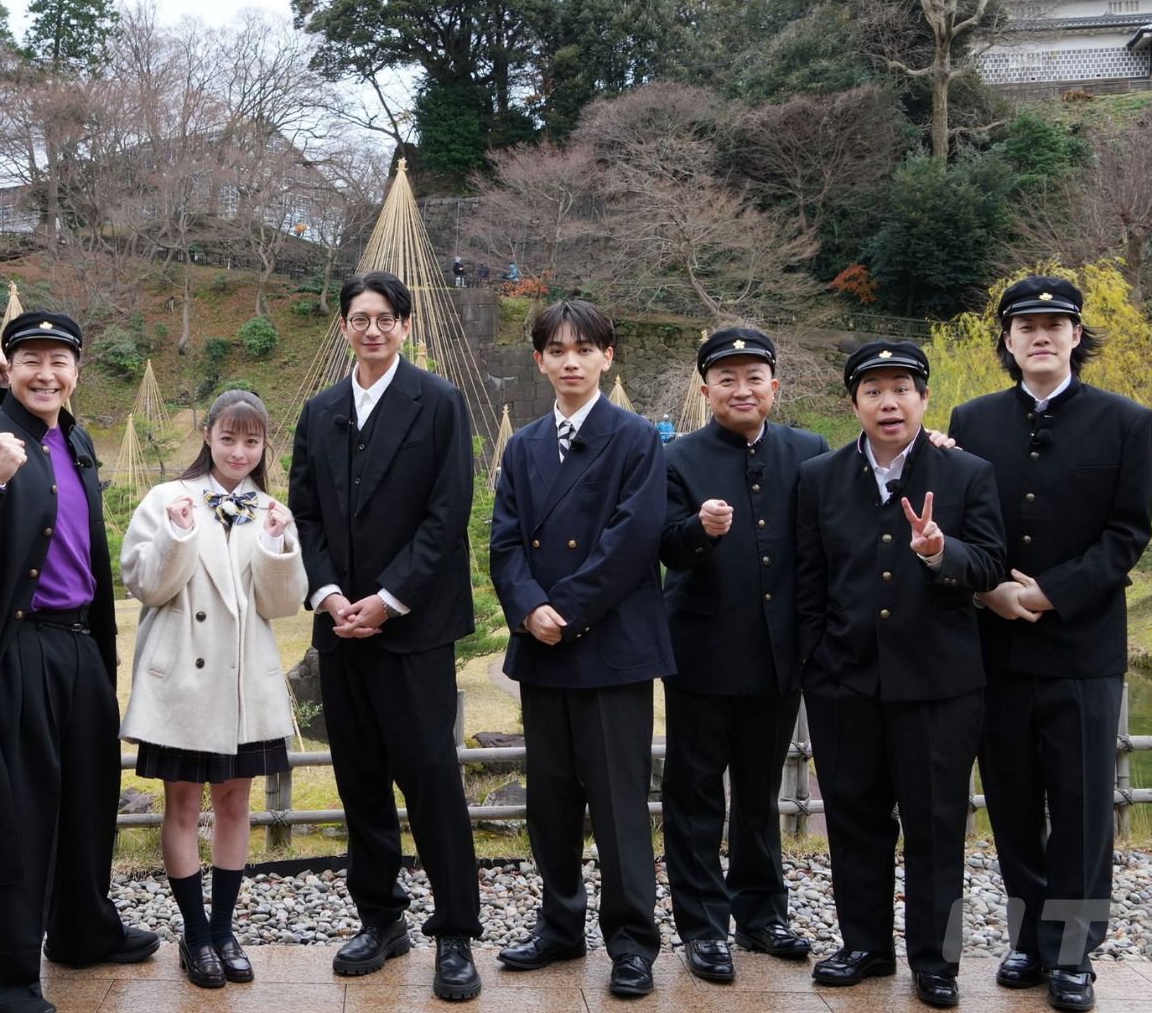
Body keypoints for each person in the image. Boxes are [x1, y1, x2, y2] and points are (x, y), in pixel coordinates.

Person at [0, 310, 158, 1013]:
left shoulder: (77, 441)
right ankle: (0, 981)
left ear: (77, 372)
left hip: (80, 644)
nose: (46, 373)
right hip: (13, 646)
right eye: (31, 360)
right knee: (13, 811)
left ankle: (83, 932)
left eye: (60, 361)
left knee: (89, 795)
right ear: (10, 366)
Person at [949, 276, 1152, 1013]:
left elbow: (1127, 533)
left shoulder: (1126, 420)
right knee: (1010, 802)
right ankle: (1028, 939)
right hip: (996, 648)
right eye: (1025, 326)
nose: (1040, 336)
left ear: (1076, 336)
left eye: (1055, 325)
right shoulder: (972, 419)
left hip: (1082, 649)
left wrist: (1047, 593)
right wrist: (990, 593)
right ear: (1006, 341)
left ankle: (1073, 954)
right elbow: (963, 525)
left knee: (1081, 807)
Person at [288, 271, 484, 1002]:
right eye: (359, 318)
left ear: (404, 325)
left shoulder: (439, 401)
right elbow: (303, 511)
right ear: (344, 326)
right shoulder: (321, 410)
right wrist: (330, 594)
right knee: (359, 778)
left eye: (385, 318)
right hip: (341, 626)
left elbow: (448, 513)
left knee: (431, 778)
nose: (372, 329)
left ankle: (455, 931)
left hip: (414, 627)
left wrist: (390, 598)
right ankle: (380, 918)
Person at [796, 341, 1006, 1009]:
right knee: (854, 818)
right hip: (844, 681)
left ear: (924, 397)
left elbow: (991, 564)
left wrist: (941, 551)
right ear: (854, 402)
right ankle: (864, 945)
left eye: (902, 389)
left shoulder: (966, 472)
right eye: (874, 391)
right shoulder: (820, 476)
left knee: (937, 824)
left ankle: (936, 961)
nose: (889, 402)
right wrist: (817, 664)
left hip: (940, 684)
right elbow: (808, 582)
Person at [487, 300, 673, 999]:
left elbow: (633, 539)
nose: (571, 361)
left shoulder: (635, 438)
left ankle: (632, 941)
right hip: (543, 646)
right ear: (540, 360)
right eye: (558, 350)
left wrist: (562, 610)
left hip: (610, 646)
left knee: (619, 804)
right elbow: (505, 540)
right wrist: (527, 606)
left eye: (584, 349)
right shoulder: (525, 445)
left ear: (606, 357)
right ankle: (560, 925)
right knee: (552, 799)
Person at [119, 389, 308, 989]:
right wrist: (177, 537)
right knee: (181, 806)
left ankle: (224, 931)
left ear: (264, 445)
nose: (238, 452)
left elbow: (284, 604)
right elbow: (146, 587)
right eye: (228, 438)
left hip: (242, 686)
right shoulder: (166, 498)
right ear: (207, 436)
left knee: (235, 805)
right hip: (183, 678)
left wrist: (277, 545)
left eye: (251, 441)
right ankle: (195, 935)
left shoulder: (271, 509)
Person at [658, 327, 826, 985]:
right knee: (695, 795)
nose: (741, 389)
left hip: (778, 655)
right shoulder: (677, 457)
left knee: (759, 794)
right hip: (701, 653)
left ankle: (762, 915)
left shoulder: (809, 452)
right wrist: (698, 530)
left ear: (773, 386)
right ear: (706, 391)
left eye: (754, 377)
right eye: (726, 379)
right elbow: (663, 546)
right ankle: (703, 927)